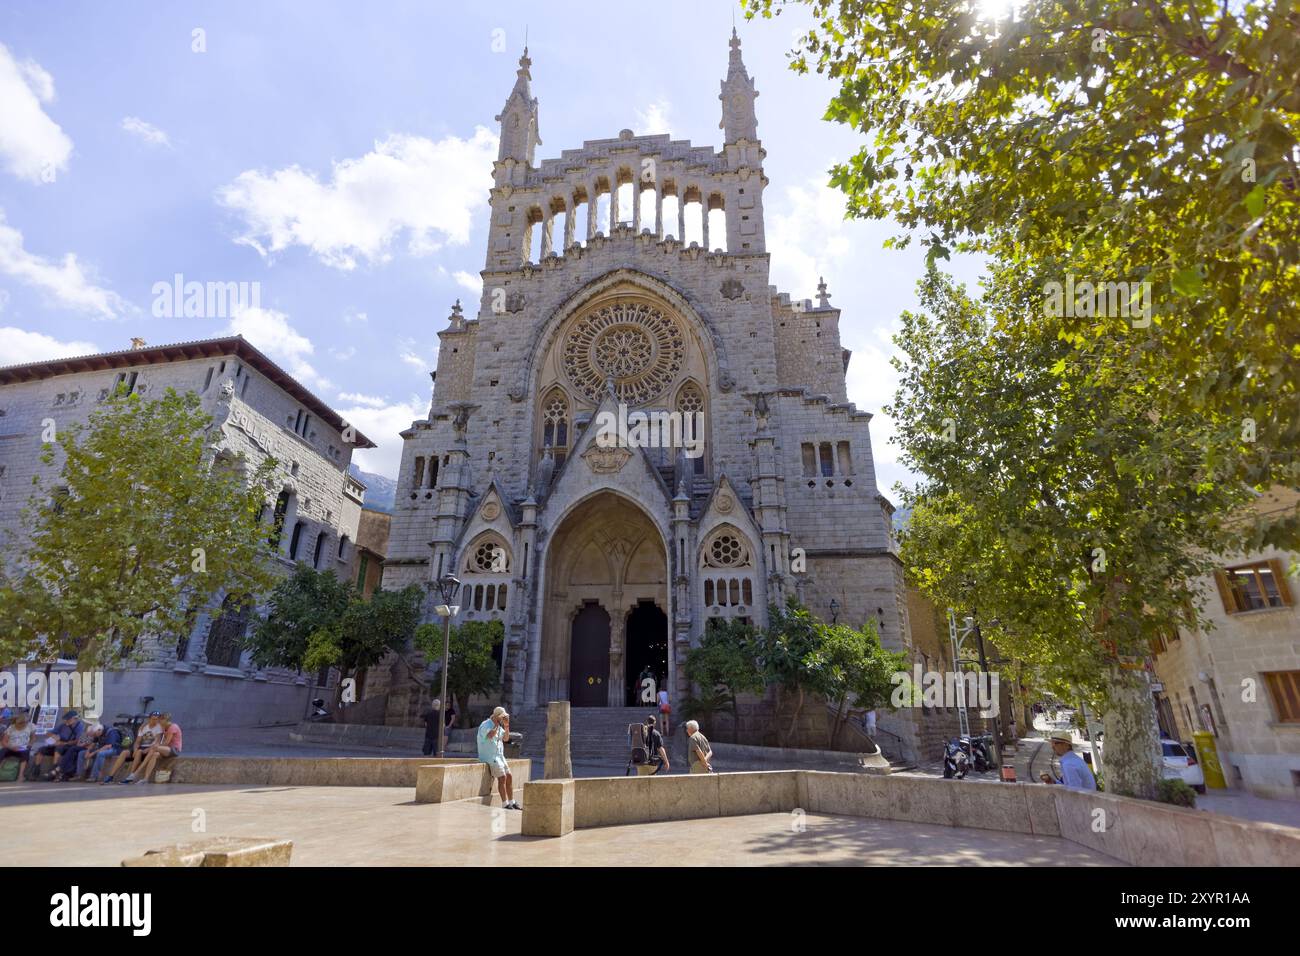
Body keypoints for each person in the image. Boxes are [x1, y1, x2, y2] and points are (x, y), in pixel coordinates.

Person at [104, 711, 164, 784]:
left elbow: (157, 742)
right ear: (149, 719)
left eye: (157, 719)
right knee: (124, 752)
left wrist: (147, 749)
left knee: (139, 752)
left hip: (149, 749)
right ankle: (110, 776)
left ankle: (130, 776)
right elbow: (138, 741)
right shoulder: (143, 727)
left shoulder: (159, 727)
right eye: (153, 719)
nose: (155, 721)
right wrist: (135, 749)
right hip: (141, 747)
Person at [477, 706, 519, 809]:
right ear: (496, 717)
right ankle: (505, 804)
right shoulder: (485, 725)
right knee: (502, 777)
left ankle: (511, 801)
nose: (503, 719)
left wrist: (507, 726)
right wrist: (496, 724)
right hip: (489, 756)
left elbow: (506, 738)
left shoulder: (500, 727)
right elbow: (490, 735)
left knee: (509, 776)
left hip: (499, 756)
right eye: (502, 717)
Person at [125, 712, 183, 784]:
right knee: (154, 754)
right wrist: (144, 724)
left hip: (174, 749)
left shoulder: (173, 727)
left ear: (166, 720)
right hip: (165, 749)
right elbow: (150, 724)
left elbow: (166, 743)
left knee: (154, 748)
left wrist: (149, 749)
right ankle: (146, 778)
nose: (159, 721)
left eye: (160, 720)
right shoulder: (163, 727)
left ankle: (136, 772)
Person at [40, 710, 86, 781]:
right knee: (42, 750)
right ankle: (35, 772)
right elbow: (49, 733)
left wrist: (63, 743)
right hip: (59, 743)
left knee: (58, 749)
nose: (66, 721)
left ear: (74, 719)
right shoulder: (63, 725)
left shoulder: (80, 727)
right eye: (66, 719)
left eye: (68, 719)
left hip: (68, 745)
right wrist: (54, 736)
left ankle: (54, 772)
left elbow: (78, 741)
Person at [0, 710, 34, 783]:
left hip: (23, 748)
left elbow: (33, 737)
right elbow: (4, 741)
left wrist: (30, 744)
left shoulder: (31, 726)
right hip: (11, 747)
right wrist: (11, 747)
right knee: (2, 752)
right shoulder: (11, 728)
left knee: (25, 753)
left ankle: (21, 775)